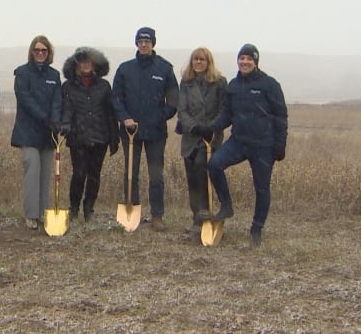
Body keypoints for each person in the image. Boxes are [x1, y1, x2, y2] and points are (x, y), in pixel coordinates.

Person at [197, 43, 288, 246]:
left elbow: (281, 116)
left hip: (263, 145)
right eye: (242, 59)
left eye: (249, 59)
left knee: (262, 188)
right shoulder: (234, 86)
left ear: (255, 62)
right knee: (214, 164)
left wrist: (280, 145)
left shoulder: (269, 84)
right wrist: (212, 127)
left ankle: (256, 228)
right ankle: (227, 206)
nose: (244, 62)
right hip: (238, 142)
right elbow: (228, 115)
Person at [112, 26, 179, 231]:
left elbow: (174, 99)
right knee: (130, 172)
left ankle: (157, 215)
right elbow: (116, 97)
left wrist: (161, 117)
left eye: (147, 42)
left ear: (153, 44)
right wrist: (124, 118)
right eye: (140, 41)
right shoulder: (125, 69)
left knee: (156, 175)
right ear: (136, 44)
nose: (143, 45)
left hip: (156, 132)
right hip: (130, 131)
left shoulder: (164, 69)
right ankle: (132, 210)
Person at [60, 47, 119, 223]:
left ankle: (88, 208)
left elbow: (111, 113)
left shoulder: (104, 86)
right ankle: (74, 208)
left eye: (89, 61)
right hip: (78, 137)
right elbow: (67, 109)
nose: (86, 64)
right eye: (82, 61)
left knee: (94, 175)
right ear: (76, 64)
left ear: (95, 64)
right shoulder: (68, 86)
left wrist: (114, 138)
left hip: (101, 137)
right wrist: (64, 125)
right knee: (79, 174)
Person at [10, 35, 62, 230]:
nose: (40, 53)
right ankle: (31, 215)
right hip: (28, 131)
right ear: (32, 52)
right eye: (37, 50)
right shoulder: (22, 73)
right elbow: (25, 99)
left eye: (44, 51)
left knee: (46, 173)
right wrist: (45, 118)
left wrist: (55, 120)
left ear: (49, 53)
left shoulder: (54, 75)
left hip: (49, 133)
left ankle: (43, 213)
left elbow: (57, 100)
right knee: (32, 170)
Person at [176, 47, 228, 234]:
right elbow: (182, 110)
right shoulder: (186, 82)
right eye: (195, 59)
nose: (198, 63)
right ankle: (196, 218)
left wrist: (211, 128)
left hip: (210, 138)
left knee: (203, 172)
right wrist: (195, 127)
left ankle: (207, 214)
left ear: (208, 62)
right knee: (192, 178)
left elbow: (224, 109)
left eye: (202, 60)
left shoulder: (220, 82)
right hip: (191, 137)